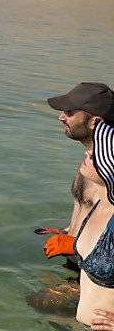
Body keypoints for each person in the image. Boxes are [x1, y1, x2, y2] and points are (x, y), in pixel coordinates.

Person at [45, 82, 114, 328]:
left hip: (96, 272)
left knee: (42, 307)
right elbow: (91, 213)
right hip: (82, 264)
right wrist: (67, 231)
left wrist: (71, 245)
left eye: (70, 112)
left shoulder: (106, 176)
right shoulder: (89, 163)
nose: (61, 117)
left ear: (94, 121)